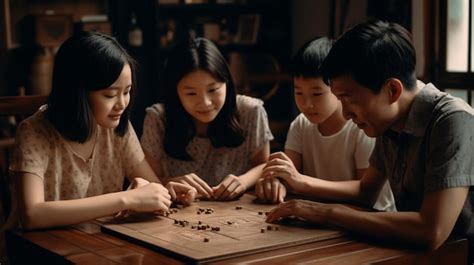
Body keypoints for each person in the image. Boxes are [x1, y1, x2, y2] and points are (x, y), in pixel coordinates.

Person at [265, 20, 474, 263]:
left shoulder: (452, 120)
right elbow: (366, 191)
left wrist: (327, 212)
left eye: (348, 99)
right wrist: (299, 188)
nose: (344, 114)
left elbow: (431, 230)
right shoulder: (389, 119)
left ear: (392, 91)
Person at [6, 32, 196, 232]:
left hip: (97, 245)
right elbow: (32, 215)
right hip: (38, 250)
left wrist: (164, 191)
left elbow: (149, 184)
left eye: (127, 91)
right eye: (110, 94)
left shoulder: (116, 126)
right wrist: (126, 199)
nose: (122, 104)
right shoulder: (33, 132)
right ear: (77, 92)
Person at [255, 36, 395, 211]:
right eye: (299, 93)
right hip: (320, 216)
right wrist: (275, 182)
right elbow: (288, 174)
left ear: (338, 89)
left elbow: (366, 193)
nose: (307, 104)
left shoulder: (361, 126)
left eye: (317, 94)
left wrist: (300, 182)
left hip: (370, 218)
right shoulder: (301, 124)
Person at [141, 37, 273, 201]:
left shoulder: (251, 111)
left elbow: (264, 165)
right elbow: (145, 181)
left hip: (240, 211)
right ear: (175, 92)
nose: (205, 102)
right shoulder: (158, 119)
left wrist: (243, 181)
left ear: (226, 83)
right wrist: (171, 182)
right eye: (191, 93)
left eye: (213, 89)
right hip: (179, 213)